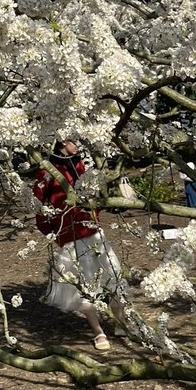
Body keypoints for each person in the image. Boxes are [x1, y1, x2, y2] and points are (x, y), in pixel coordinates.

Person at [33, 139, 128, 352]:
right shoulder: (47, 171)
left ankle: (121, 322)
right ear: (60, 143)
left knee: (112, 272)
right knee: (86, 283)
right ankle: (98, 332)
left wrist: (95, 212)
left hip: (93, 230)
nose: (77, 143)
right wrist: (51, 231)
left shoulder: (80, 164)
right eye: (71, 140)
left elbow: (93, 192)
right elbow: (37, 204)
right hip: (71, 236)